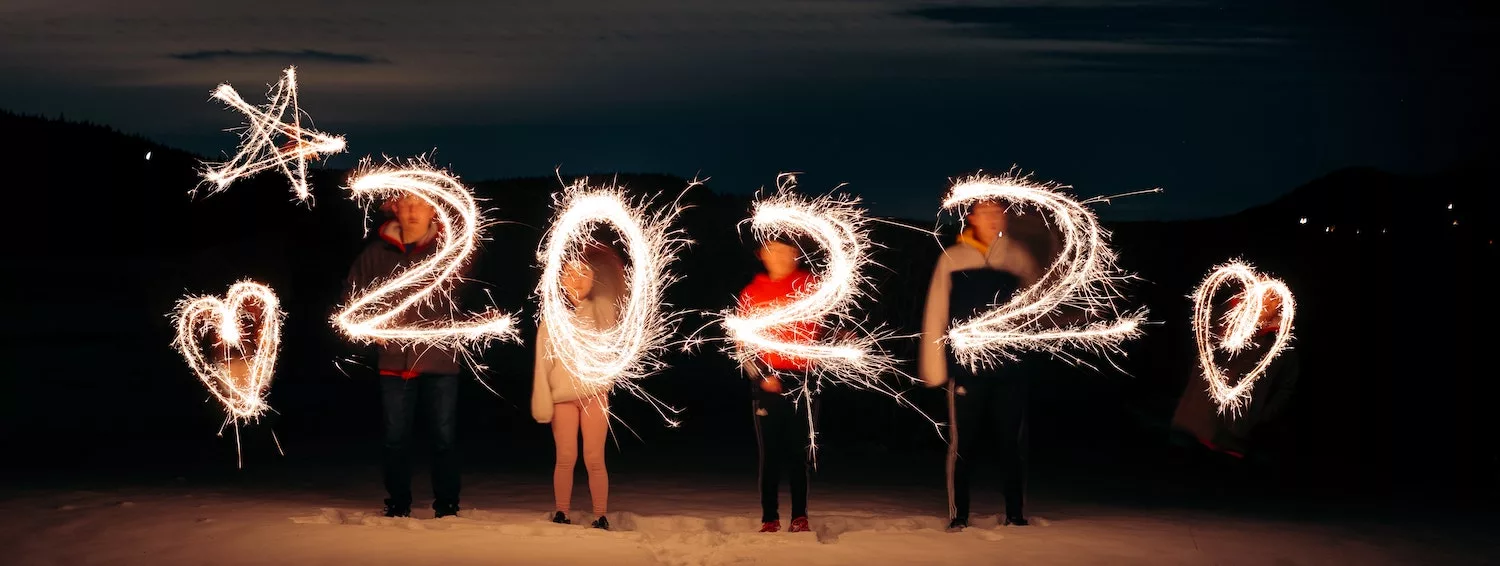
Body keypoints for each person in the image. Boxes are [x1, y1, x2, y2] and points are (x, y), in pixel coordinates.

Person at [920, 199, 1043, 531]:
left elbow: (1035, 307)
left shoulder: (1018, 257)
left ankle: (1015, 513)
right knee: (964, 444)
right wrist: (935, 366)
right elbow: (936, 311)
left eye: (997, 213)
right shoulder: (953, 257)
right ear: (972, 218)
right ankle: (959, 514)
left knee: (1011, 444)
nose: (992, 218)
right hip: (967, 369)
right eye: (984, 213)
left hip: (1010, 368)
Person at [344, 193, 465, 519]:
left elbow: (468, 291)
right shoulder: (375, 254)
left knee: (443, 438)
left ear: (433, 209)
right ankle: (398, 502)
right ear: (394, 208)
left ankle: (447, 504)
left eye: (420, 203)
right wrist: (369, 325)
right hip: (394, 361)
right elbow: (351, 297)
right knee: (395, 438)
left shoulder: (450, 249)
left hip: (439, 360)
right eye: (406, 203)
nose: (413, 210)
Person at [532, 243, 625, 530]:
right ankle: (562, 511)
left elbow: (617, 291)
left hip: (594, 393)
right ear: (561, 280)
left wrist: (606, 259)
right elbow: (542, 365)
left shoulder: (601, 311)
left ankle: (600, 515)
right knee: (566, 457)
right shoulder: (553, 320)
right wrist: (542, 399)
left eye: (584, 274)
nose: (577, 280)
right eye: (570, 274)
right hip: (563, 398)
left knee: (595, 457)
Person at [737, 235, 821, 533]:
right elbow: (742, 346)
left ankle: (799, 516)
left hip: (803, 380)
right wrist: (762, 376)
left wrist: (842, 336)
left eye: (786, 251)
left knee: (799, 453)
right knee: (770, 454)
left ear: (796, 254)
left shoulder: (812, 287)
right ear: (762, 254)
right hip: (766, 381)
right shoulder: (751, 293)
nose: (780, 257)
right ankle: (769, 518)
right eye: (773, 250)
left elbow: (830, 325)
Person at [1171, 294, 1300, 464]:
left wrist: (1259, 416)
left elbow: (1286, 387)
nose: (1265, 300)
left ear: (1279, 305)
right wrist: (1231, 307)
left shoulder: (1281, 345)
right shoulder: (1224, 320)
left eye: (1272, 298)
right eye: (1262, 294)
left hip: (1233, 439)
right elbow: (1199, 335)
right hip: (1192, 426)